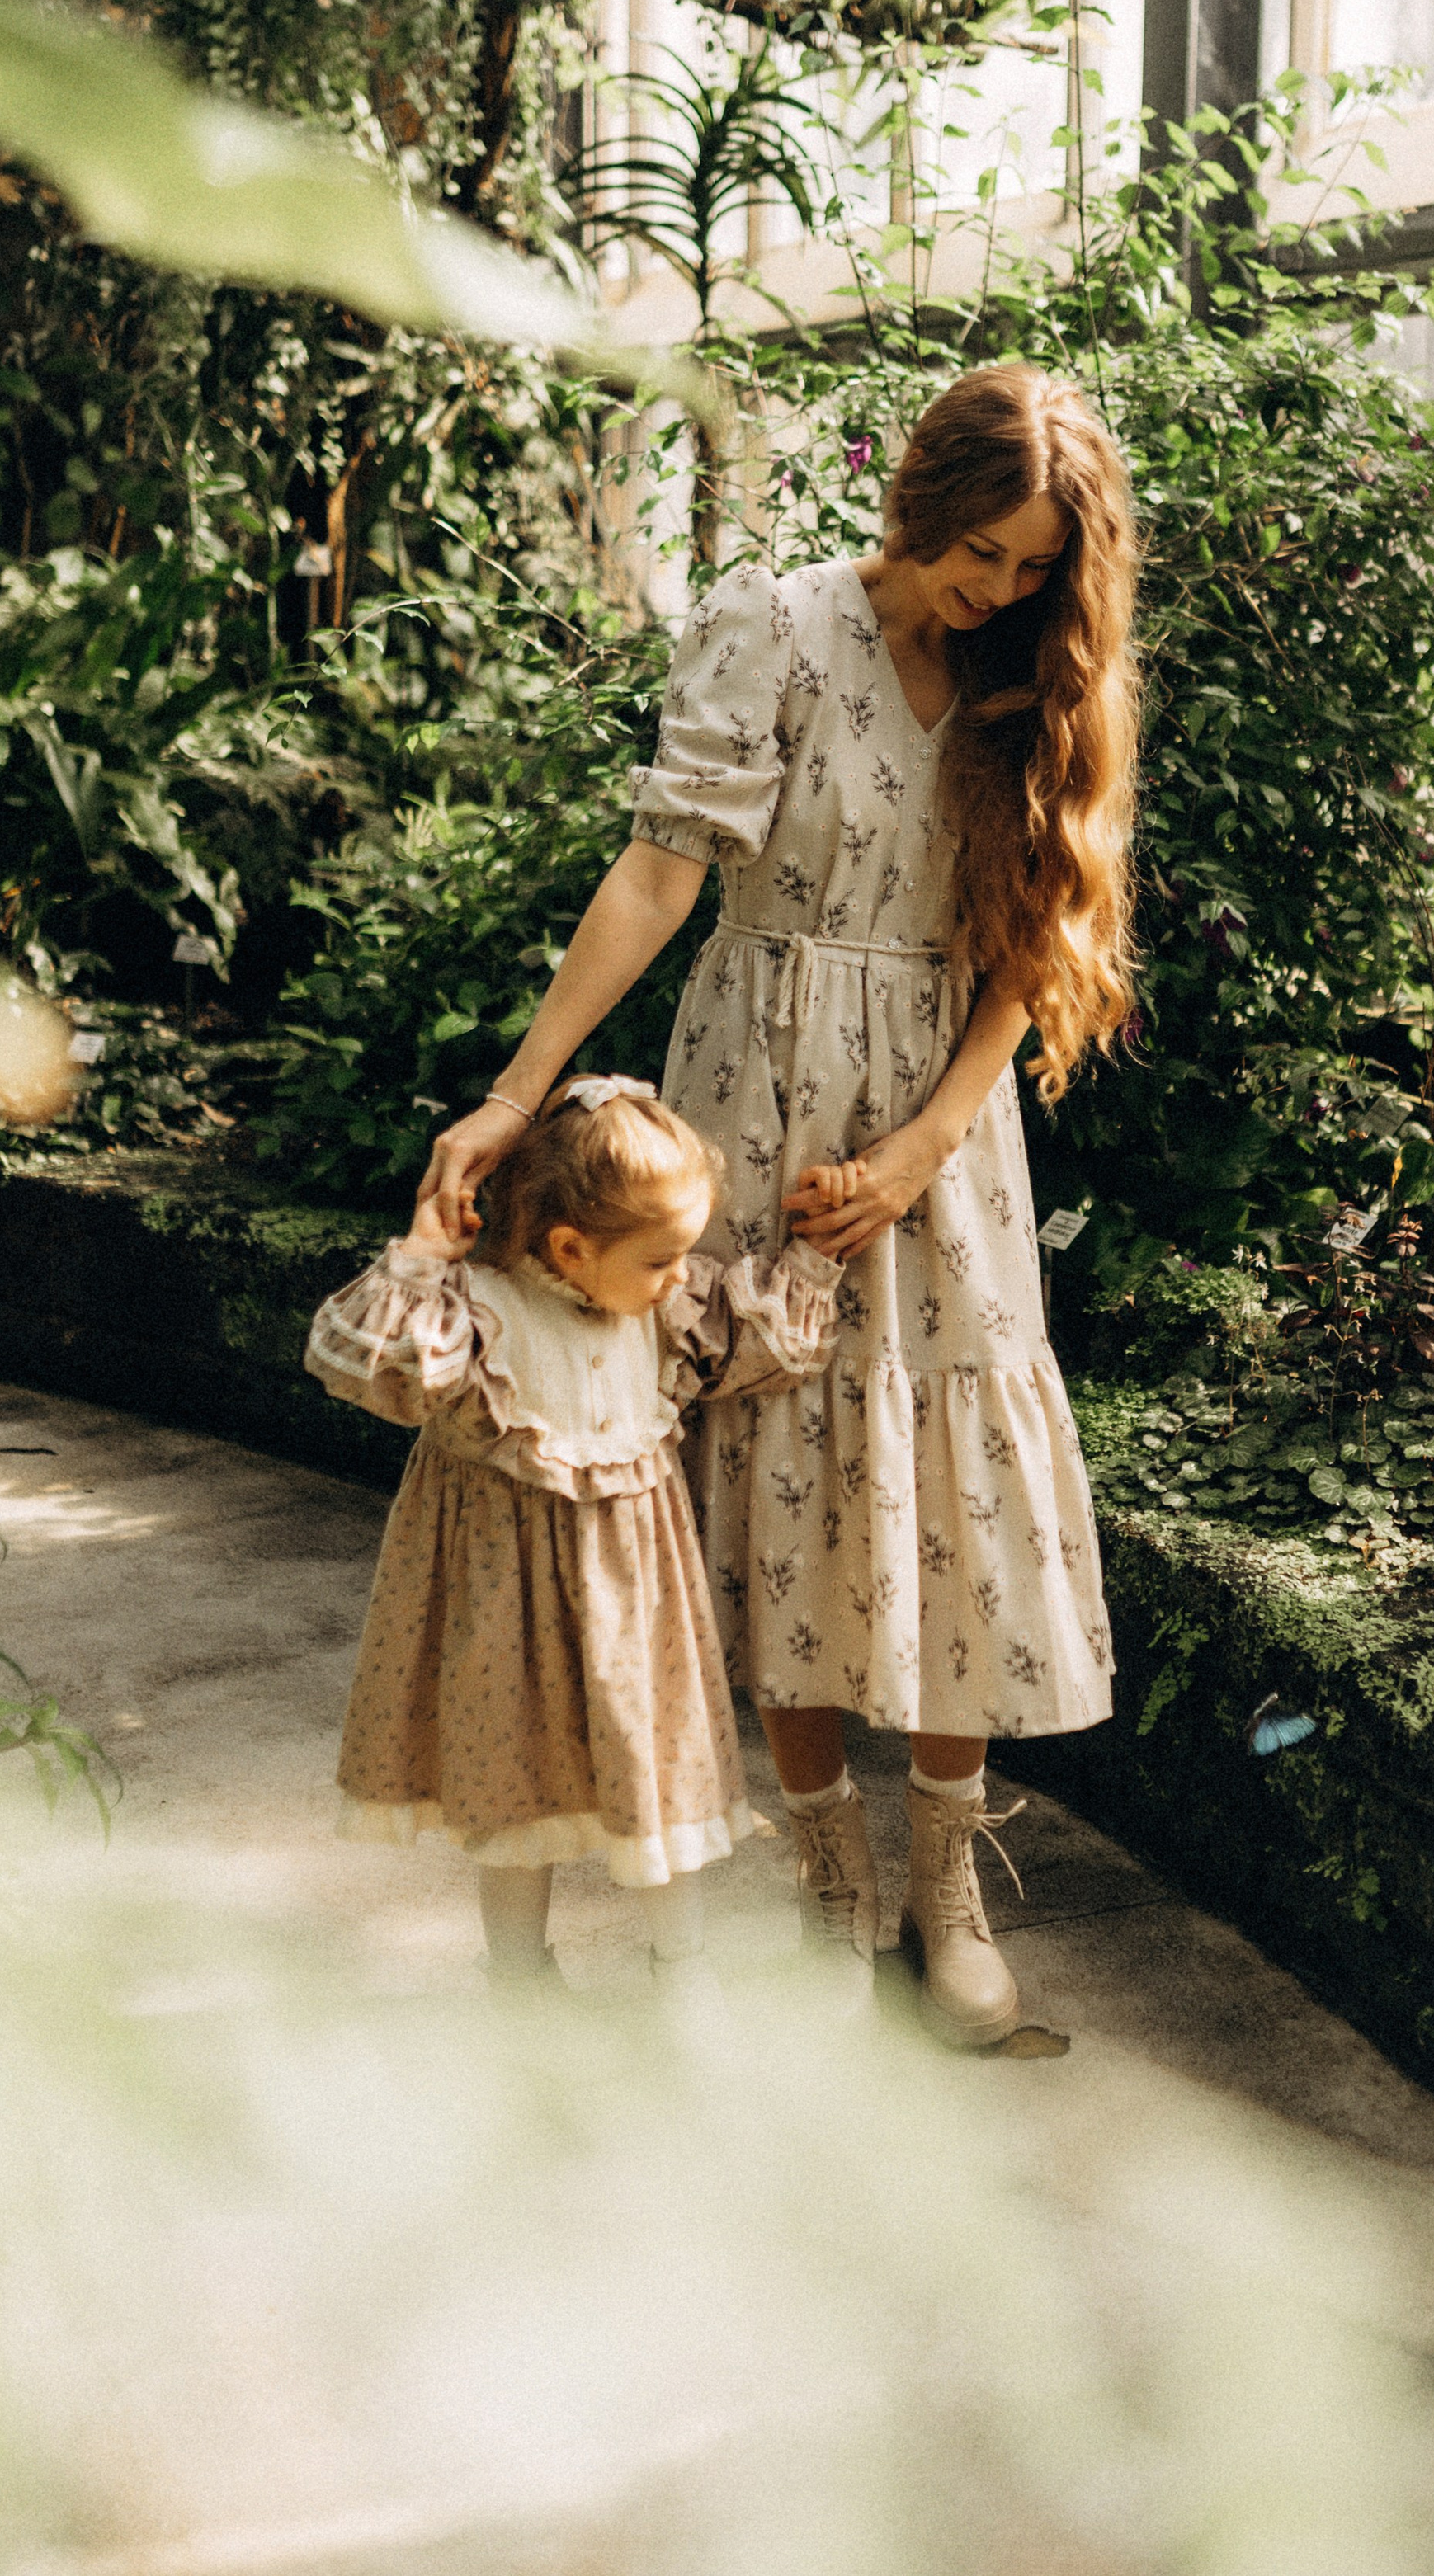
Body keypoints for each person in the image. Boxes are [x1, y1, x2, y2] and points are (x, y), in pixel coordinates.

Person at [418, 362, 1140, 2048]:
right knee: (776, 1476)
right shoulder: (771, 625)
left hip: (932, 1133)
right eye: (981, 553)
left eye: (1034, 568)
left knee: (952, 1477)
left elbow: (1024, 963)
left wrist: (915, 1154)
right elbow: (660, 875)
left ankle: (942, 1885)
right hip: (750, 1095)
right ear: (919, 503)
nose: (1000, 591)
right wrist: (519, 1094)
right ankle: (828, 1873)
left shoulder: (1030, 681)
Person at [305, 1075, 842, 2009]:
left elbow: (752, 1339)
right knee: (511, 1783)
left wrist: (815, 1257)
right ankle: (517, 1977)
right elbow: (358, 1361)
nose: (684, 1274)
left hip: (636, 1602)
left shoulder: (661, 1312)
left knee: (660, 1775)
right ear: (568, 1246)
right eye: (662, 1258)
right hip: (502, 1604)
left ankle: (682, 1972)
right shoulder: (478, 1315)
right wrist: (419, 1261)